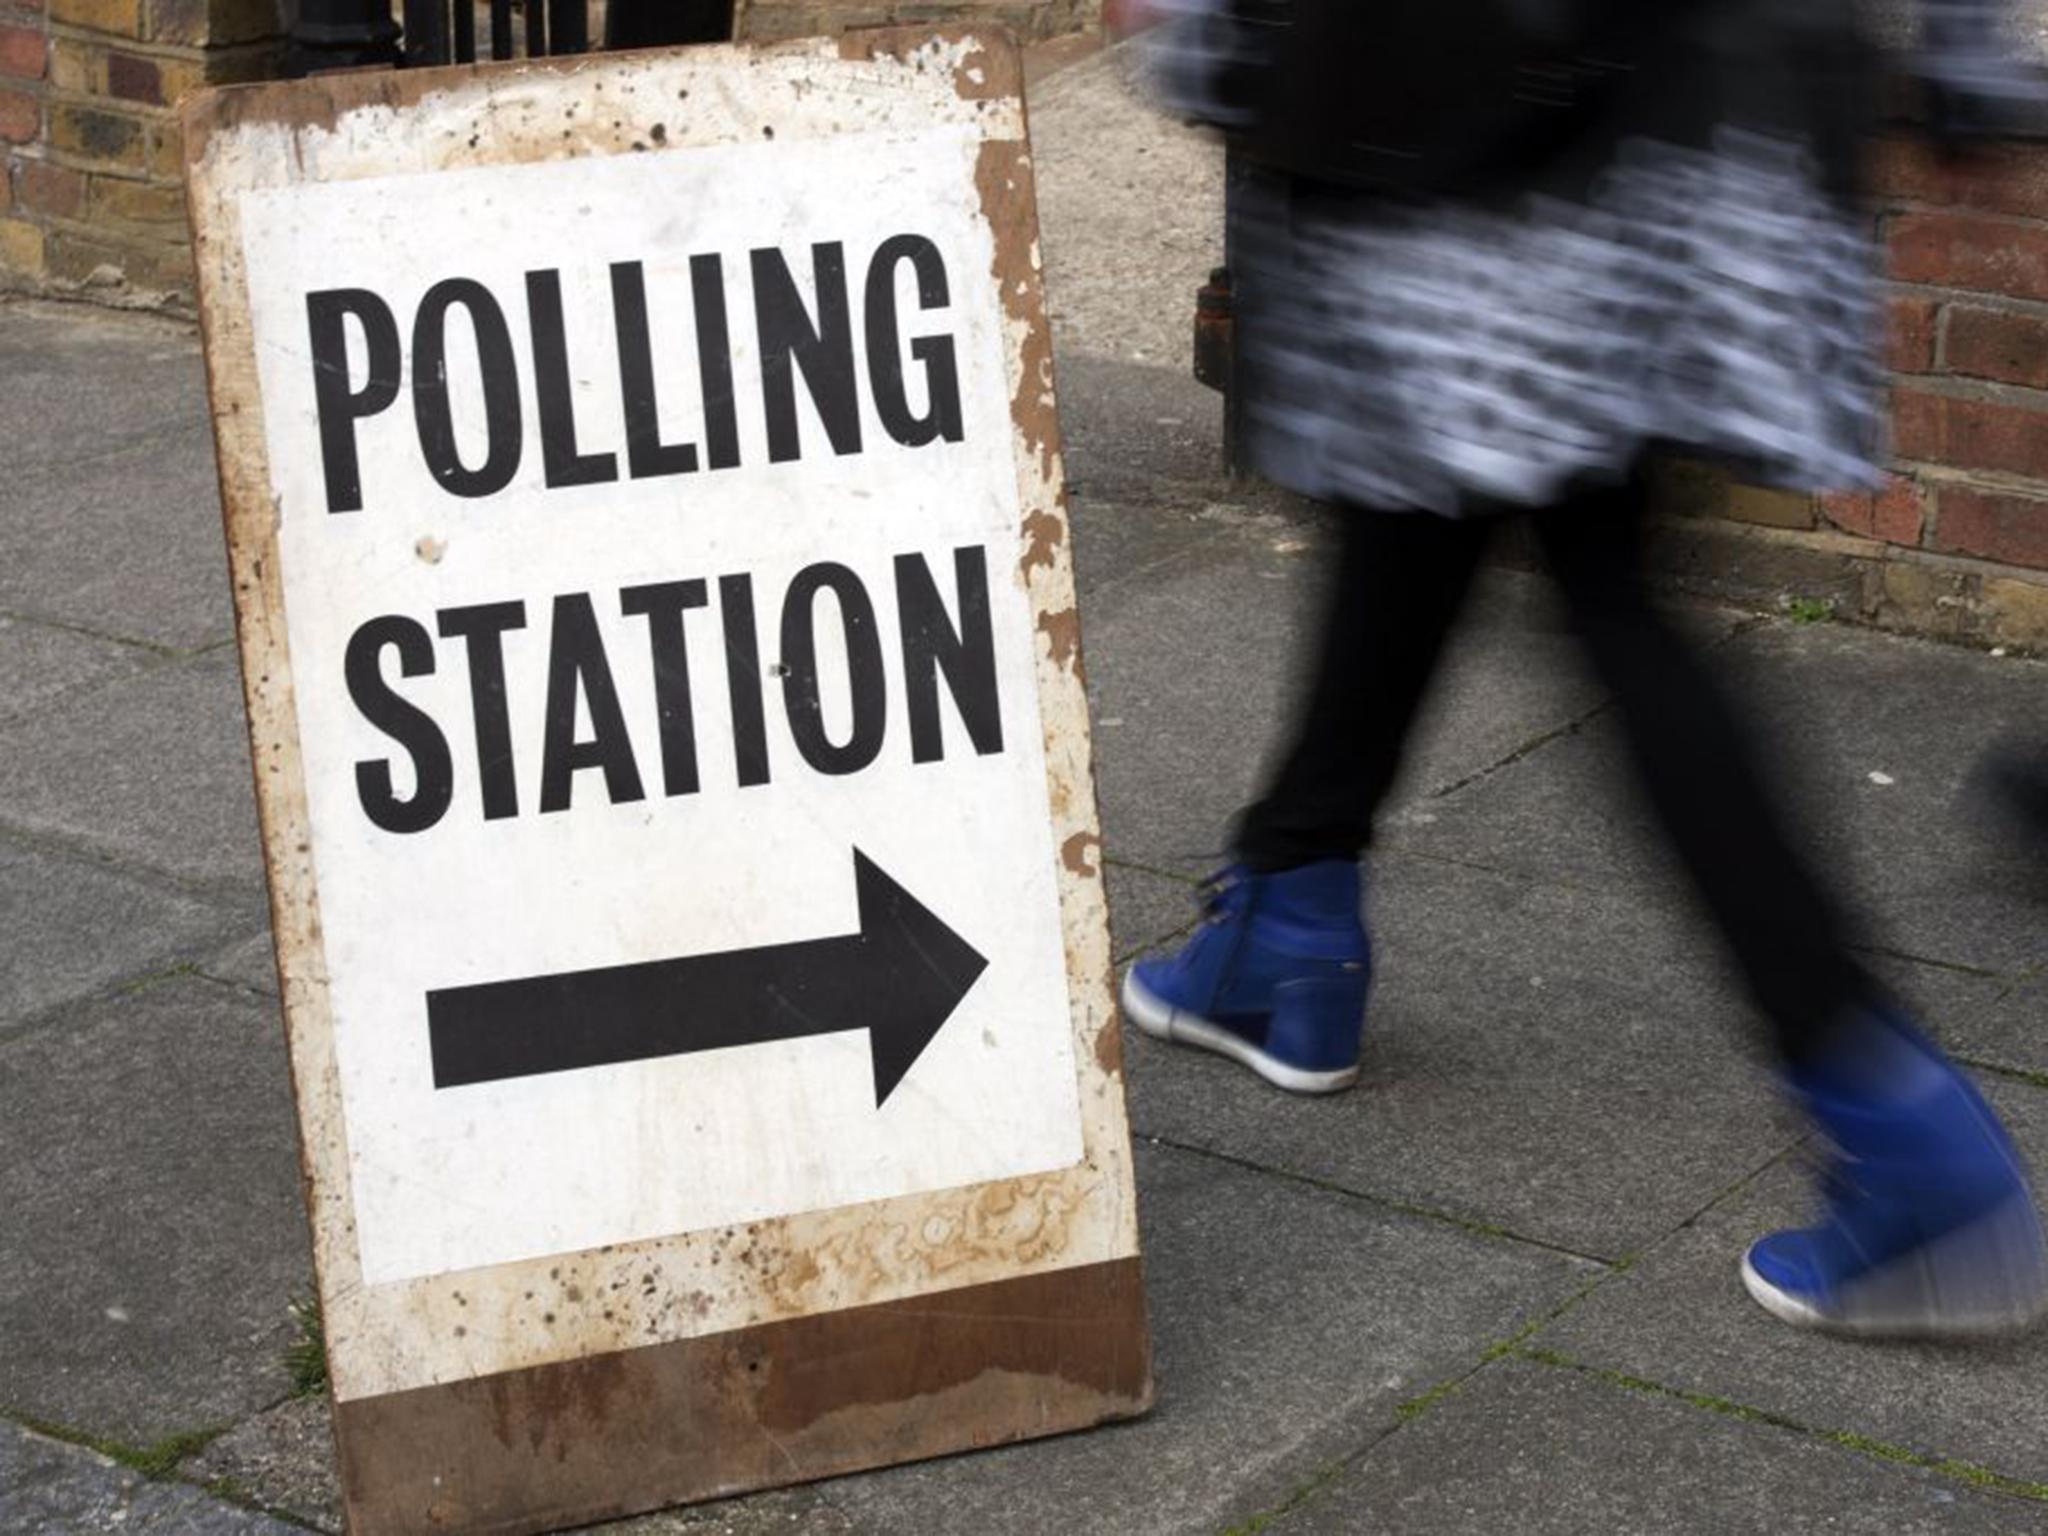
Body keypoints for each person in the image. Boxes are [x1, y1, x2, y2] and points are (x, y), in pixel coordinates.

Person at [1117, 0, 2048, 1336]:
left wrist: (1206, 32)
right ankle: (1287, 919)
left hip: (1452, 93)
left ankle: (1905, 1137)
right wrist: (1963, 48)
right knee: (1456, 484)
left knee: (1582, 556)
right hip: (1701, 96)